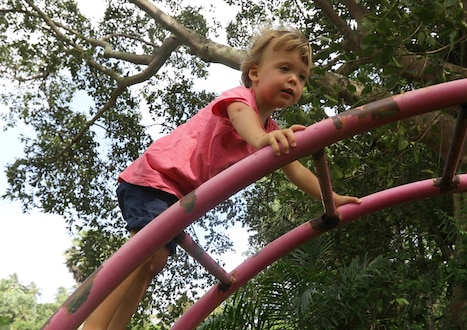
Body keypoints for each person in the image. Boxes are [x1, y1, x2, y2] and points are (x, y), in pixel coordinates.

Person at [83, 27, 361, 329]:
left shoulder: (270, 132)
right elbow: (244, 122)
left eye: (302, 76)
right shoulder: (240, 100)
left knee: (154, 261)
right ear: (255, 72)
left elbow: (296, 171)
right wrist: (263, 140)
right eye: (285, 68)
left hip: (176, 196)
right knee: (141, 253)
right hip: (157, 176)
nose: (294, 79)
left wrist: (329, 197)